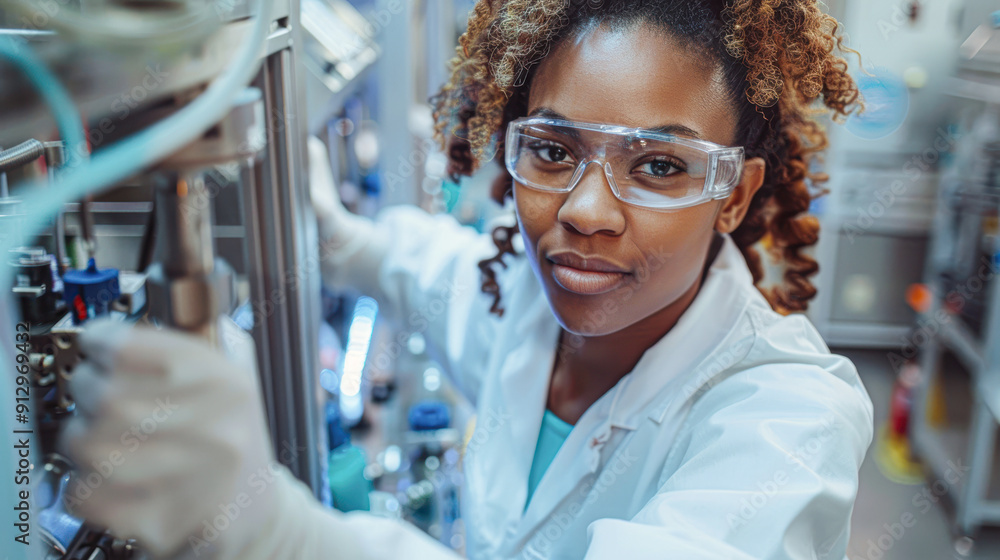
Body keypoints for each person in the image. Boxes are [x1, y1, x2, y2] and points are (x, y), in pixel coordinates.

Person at [62, 0, 875, 558]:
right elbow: (422, 269)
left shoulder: (788, 420)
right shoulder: (526, 296)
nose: (587, 210)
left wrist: (277, 532)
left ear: (732, 195)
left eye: (659, 166)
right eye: (554, 151)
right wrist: (336, 233)